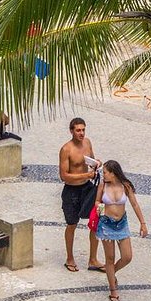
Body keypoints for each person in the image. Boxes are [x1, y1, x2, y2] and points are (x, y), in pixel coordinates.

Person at [92, 158, 148, 301]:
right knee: (109, 258)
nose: (103, 175)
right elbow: (97, 201)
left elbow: (135, 204)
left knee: (127, 256)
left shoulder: (125, 185)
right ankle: (113, 289)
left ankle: (112, 272)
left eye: (105, 172)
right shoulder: (103, 185)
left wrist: (142, 223)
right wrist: (100, 208)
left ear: (113, 173)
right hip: (106, 224)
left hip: (122, 224)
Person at [60, 117, 102, 272]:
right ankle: (69, 258)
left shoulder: (87, 143)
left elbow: (91, 160)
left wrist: (97, 163)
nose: (81, 133)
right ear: (71, 131)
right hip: (72, 190)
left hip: (87, 188)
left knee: (95, 221)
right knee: (72, 224)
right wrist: (86, 175)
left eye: (83, 130)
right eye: (78, 130)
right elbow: (64, 176)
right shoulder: (66, 149)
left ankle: (93, 259)